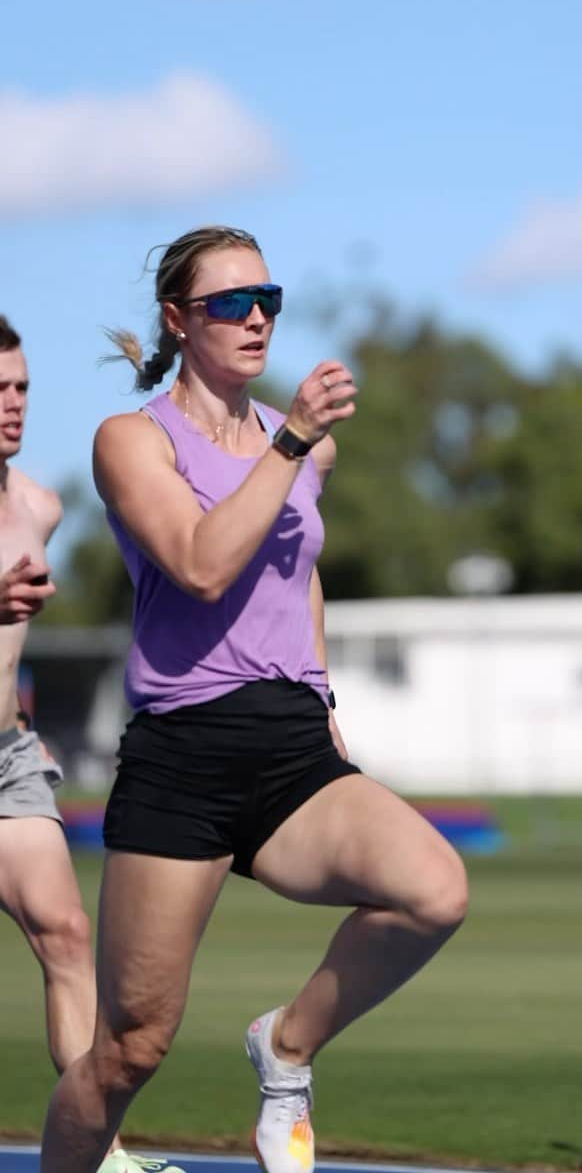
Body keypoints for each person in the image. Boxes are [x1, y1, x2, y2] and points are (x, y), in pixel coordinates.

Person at [40, 225, 468, 1173]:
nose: (255, 319)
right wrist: (294, 443)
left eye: (266, 299)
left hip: (290, 743)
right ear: (177, 321)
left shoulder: (297, 450)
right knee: (129, 1051)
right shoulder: (133, 441)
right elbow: (200, 563)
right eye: (229, 303)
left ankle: (286, 1049)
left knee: (434, 891)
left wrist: (319, 692)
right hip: (182, 753)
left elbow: (299, 571)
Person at [0, 314, 183, 1173]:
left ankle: (95, 1154)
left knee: (67, 935)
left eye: (22, 388)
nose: (12, 405)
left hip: (6, 760)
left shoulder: (40, 504)